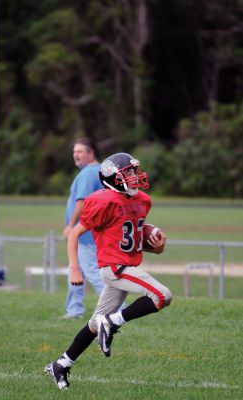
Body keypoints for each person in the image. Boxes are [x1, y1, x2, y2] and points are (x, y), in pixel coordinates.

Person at [45, 152, 173, 390]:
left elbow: (132, 242)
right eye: (130, 173)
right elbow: (74, 233)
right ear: (114, 178)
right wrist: (75, 268)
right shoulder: (103, 201)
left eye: (135, 171)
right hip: (114, 269)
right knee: (162, 295)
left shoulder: (142, 200)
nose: (136, 176)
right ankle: (113, 322)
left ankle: (61, 364)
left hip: (126, 267)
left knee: (95, 323)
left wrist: (158, 246)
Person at [62, 138, 104, 319]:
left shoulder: (88, 173)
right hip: (91, 234)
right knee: (75, 271)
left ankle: (118, 308)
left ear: (91, 153)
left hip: (85, 235)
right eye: (74, 152)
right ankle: (74, 310)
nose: (75, 155)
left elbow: (82, 201)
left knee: (93, 274)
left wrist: (71, 226)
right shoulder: (100, 170)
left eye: (80, 152)